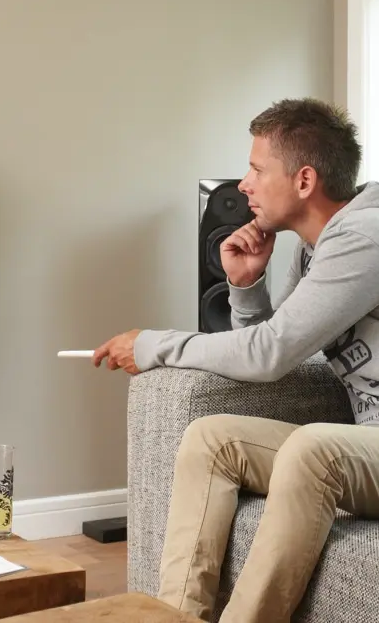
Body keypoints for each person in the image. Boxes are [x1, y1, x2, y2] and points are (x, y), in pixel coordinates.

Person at [92, 97, 379, 623]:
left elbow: (268, 353)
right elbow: (275, 357)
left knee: (314, 448)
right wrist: (246, 286)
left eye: (256, 169)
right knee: (212, 439)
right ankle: (174, 617)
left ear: (304, 180)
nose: (244, 185)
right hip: (370, 445)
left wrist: (155, 344)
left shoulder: (366, 236)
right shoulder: (316, 248)